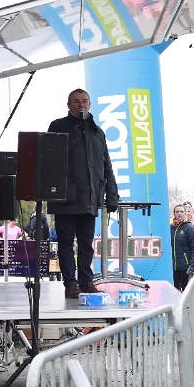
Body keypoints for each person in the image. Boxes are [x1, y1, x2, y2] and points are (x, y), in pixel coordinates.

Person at [48, 88, 119, 299]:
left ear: (90, 104)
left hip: (90, 197)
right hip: (66, 197)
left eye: (85, 101)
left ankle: (86, 281)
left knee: (87, 244)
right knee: (66, 243)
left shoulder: (97, 132)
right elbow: (54, 156)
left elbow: (106, 166)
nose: (81, 105)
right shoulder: (58, 126)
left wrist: (112, 195)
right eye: (77, 101)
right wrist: (77, 130)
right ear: (69, 105)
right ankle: (70, 283)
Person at [170, 203, 194, 293]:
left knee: (186, 292)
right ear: (174, 213)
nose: (179, 214)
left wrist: (193, 265)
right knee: (174, 291)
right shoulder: (170, 228)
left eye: (181, 211)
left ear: (185, 213)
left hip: (185, 266)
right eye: (177, 212)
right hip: (173, 266)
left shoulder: (190, 228)